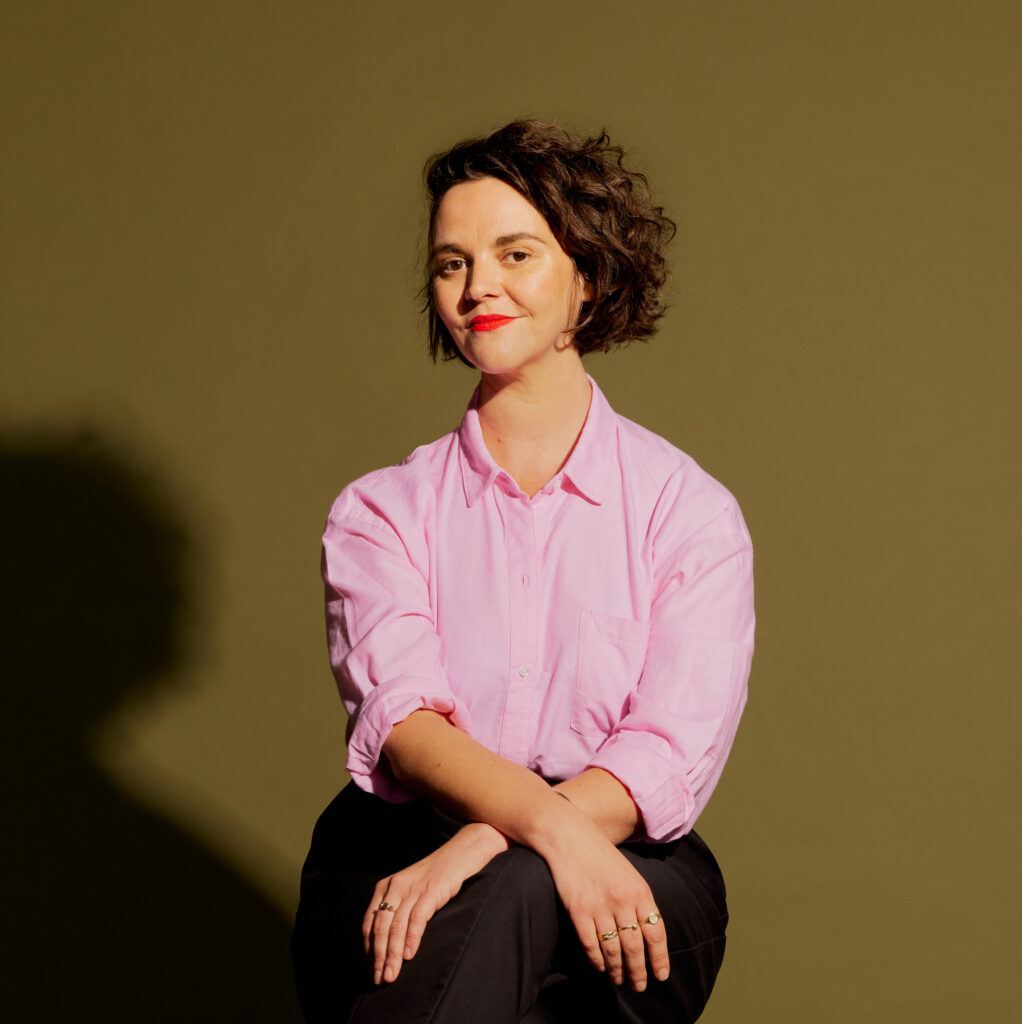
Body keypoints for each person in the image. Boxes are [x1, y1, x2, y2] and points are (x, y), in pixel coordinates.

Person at [291, 120, 755, 1024]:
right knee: (513, 885)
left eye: (515, 252)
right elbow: (404, 726)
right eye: (451, 263)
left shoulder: (689, 512)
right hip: (398, 851)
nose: (478, 288)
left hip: (632, 862)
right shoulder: (380, 511)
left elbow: (668, 751)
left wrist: (491, 845)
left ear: (588, 274)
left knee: (516, 886)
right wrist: (531, 827)